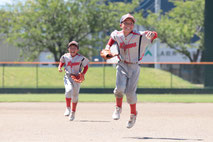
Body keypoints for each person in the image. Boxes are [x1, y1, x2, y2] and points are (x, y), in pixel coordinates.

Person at [101, 13, 157, 128]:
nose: (128, 25)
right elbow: (112, 37)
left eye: (131, 23)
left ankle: (133, 114)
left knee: (130, 94)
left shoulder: (140, 36)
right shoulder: (117, 34)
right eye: (126, 23)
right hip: (122, 64)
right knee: (119, 89)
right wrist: (107, 47)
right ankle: (118, 108)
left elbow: (153, 35)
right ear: (121, 24)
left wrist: (153, 34)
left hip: (134, 67)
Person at [58, 41, 89, 121]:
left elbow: (86, 66)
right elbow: (61, 61)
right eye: (71, 48)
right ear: (68, 49)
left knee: (75, 96)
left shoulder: (81, 58)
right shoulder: (65, 56)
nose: (72, 49)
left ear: (77, 50)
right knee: (68, 90)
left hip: (77, 77)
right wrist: (59, 67)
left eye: (74, 48)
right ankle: (68, 108)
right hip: (68, 76)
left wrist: (83, 73)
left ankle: (73, 112)